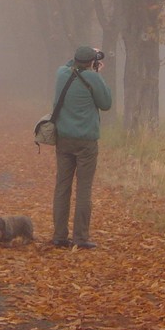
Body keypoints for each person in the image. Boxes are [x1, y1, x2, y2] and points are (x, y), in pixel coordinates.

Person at [51, 45, 113, 249]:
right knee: (84, 188)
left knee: (62, 187)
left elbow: (69, 66)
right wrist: (96, 73)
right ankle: (80, 237)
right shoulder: (93, 78)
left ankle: (59, 235)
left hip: (63, 138)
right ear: (91, 63)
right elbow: (106, 103)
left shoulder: (62, 73)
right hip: (86, 141)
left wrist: (86, 60)